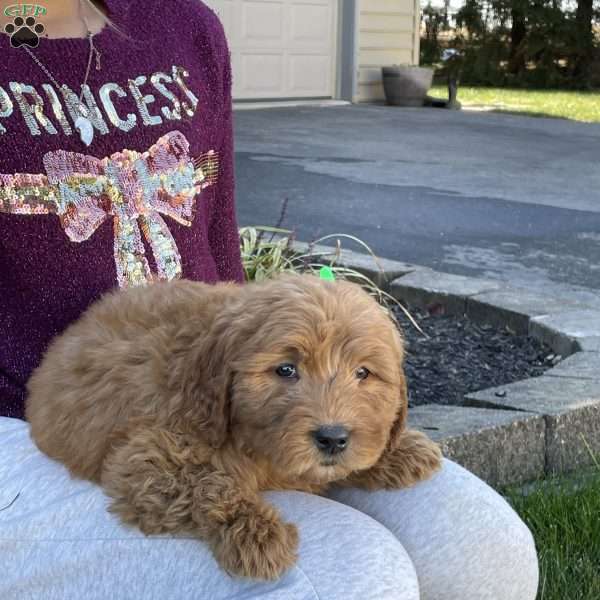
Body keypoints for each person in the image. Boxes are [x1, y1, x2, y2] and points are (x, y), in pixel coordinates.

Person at [0, 1, 539, 598]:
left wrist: (275, 374)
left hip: (208, 376)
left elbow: (216, 240)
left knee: (482, 546)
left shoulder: (182, 25)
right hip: (28, 420)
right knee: (344, 576)